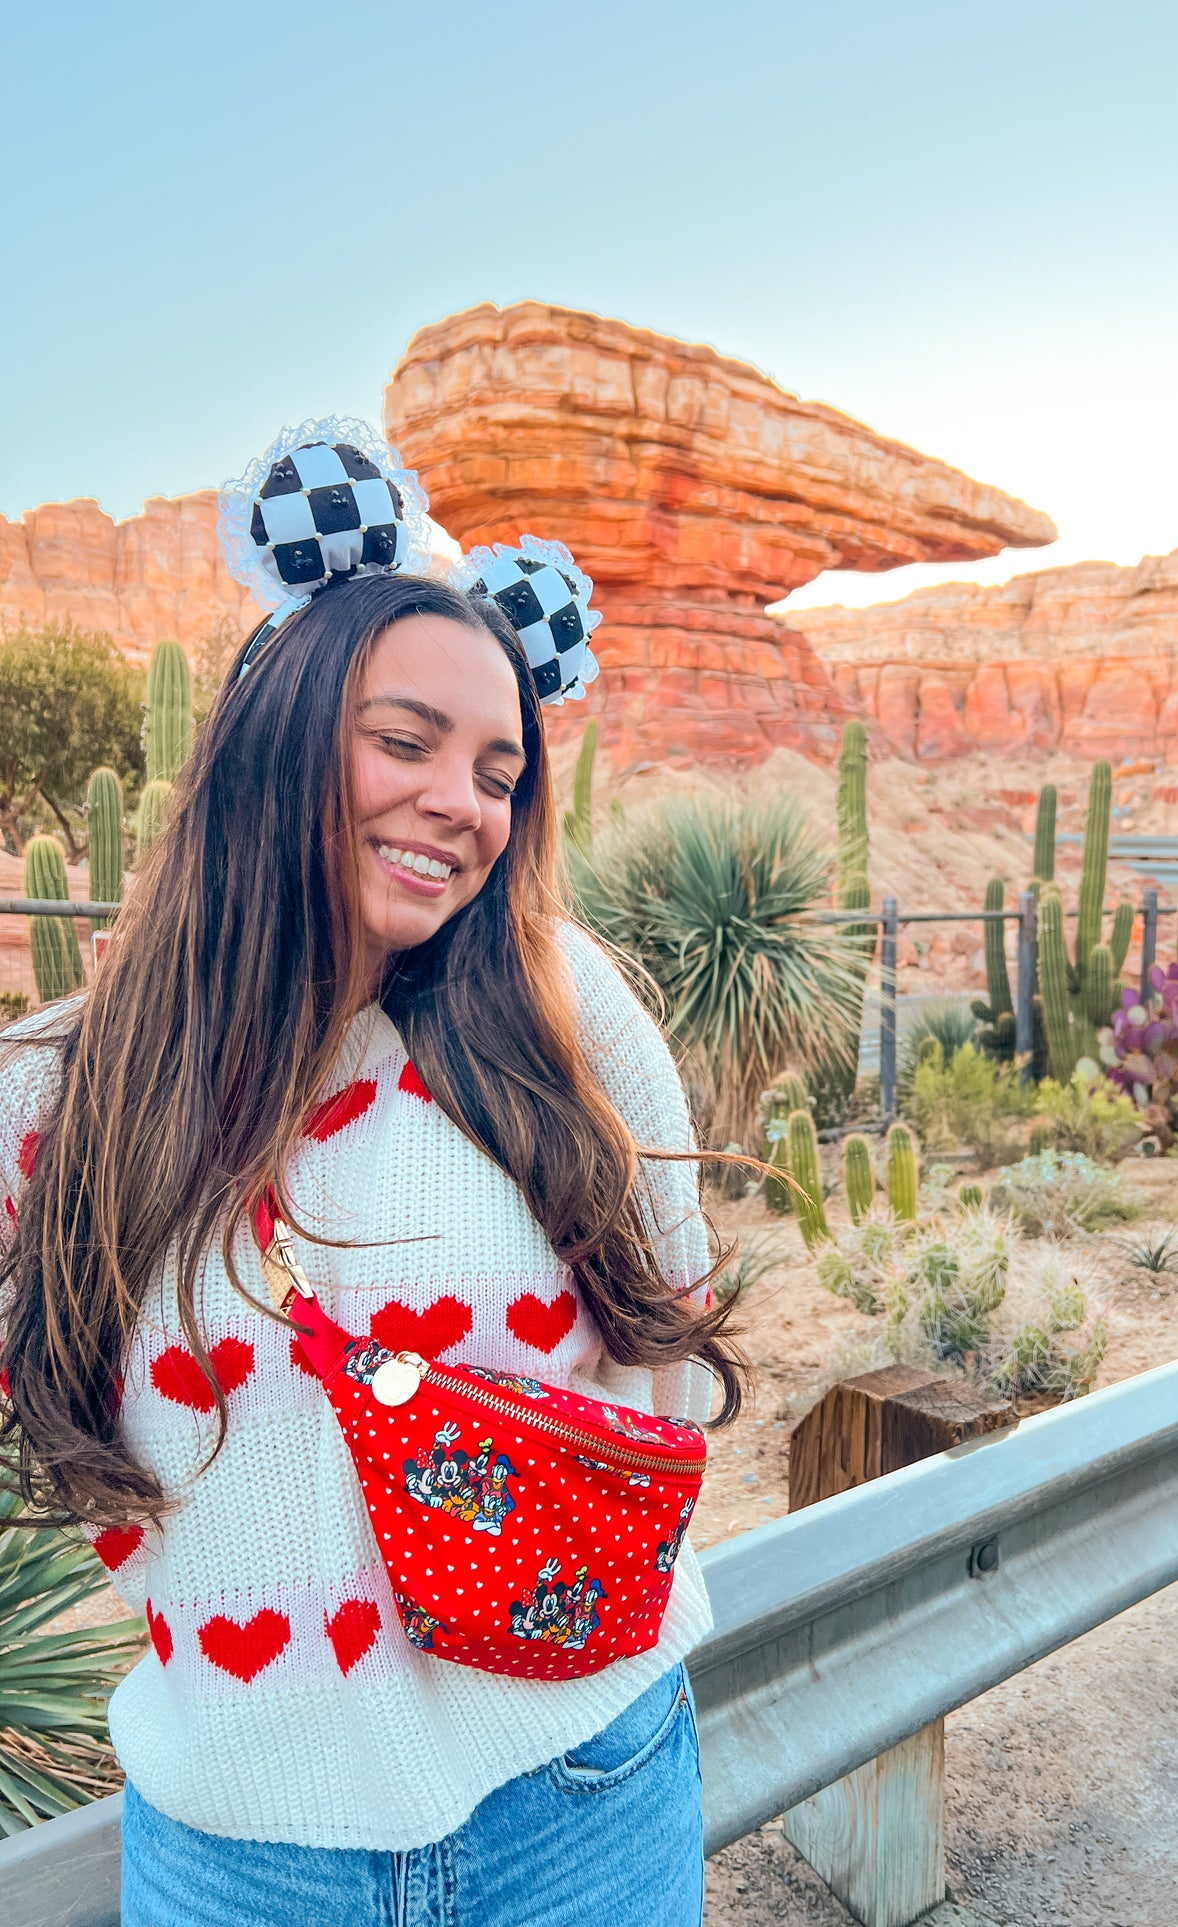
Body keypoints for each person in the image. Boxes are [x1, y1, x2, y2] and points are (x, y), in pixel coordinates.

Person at [0, 421, 742, 1927]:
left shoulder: (565, 1011)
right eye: (404, 741)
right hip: (235, 1849)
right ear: (273, 736)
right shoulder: (50, 1092)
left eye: (497, 771)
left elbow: (668, 1326)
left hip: (578, 1789)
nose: (463, 804)